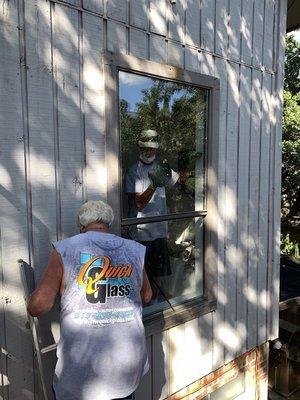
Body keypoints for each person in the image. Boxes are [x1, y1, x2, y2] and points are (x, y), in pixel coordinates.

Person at [27, 200, 152, 400]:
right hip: (126, 364)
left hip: (83, 372)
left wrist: (31, 298)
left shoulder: (65, 249)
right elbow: (146, 295)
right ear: (108, 224)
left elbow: (38, 306)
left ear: (81, 225)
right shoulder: (135, 249)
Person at [125, 130, 179, 298]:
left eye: (151, 148)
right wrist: (154, 184)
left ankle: (156, 303)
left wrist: (185, 169)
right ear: (139, 148)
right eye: (144, 148)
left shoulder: (162, 167)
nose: (148, 152)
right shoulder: (133, 171)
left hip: (160, 229)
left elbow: (178, 186)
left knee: (159, 273)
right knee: (144, 275)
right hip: (141, 232)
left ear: (156, 149)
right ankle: (146, 307)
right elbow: (139, 204)